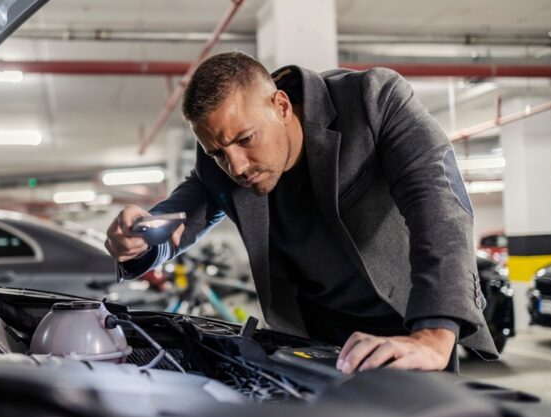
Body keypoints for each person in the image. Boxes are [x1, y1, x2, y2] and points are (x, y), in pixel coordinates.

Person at [105, 51, 496, 374]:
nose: (236, 167)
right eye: (218, 153)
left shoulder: (375, 101)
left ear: (281, 106)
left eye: (245, 140)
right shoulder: (220, 162)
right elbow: (177, 221)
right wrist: (136, 242)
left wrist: (434, 333)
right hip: (311, 341)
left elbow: (439, 207)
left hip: (404, 326)